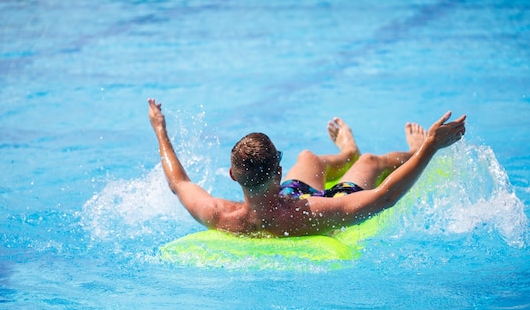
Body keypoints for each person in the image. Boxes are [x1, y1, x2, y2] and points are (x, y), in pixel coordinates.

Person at [148, 98, 466, 237]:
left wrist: (160, 129)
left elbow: (179, 184)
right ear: (277, 172)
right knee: (371, 162)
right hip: (313, 202)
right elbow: (385, 197)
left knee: (310, 157)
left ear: (233, 176)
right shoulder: (315, 212)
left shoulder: (221, 216)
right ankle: (402, 152)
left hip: (287, 196)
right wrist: (428, 148)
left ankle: (346, 153)